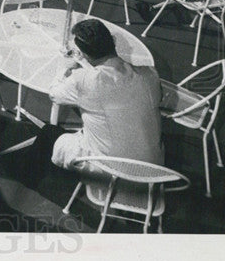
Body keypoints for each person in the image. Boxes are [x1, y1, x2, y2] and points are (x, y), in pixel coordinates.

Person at [27, 19, 163, 175]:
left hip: (111, 170)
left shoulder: (83, 80)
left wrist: (64, 68)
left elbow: (55, 95)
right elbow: (115, 82)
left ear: (84, 54)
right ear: (113, 41)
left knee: (49, 133)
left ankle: (30, 178)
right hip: (154, 168)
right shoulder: (150, 73)